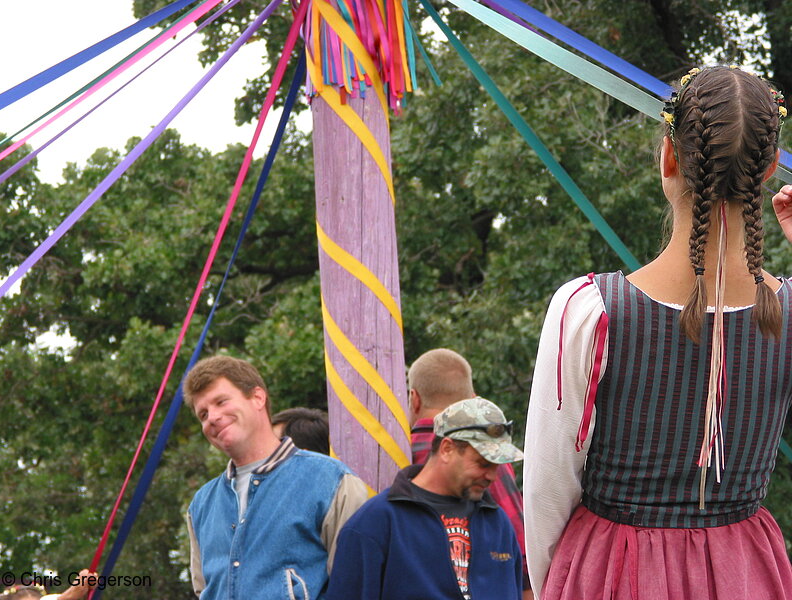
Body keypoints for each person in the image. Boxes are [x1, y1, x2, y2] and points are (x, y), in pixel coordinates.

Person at [524, 65, 792, 600]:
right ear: (767, 172)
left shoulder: (589, 309)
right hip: (747, 574)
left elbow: (547, 493)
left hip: (610, 573)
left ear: (669, 157)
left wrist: (561, 581)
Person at [183, 355, 368, 600]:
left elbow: (356, 584)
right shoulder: (201, 505)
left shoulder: (332, 481)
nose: (213, 418)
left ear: (258, 397)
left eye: (221, 401)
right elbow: (202, 589)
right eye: (203, 414)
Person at [326, 396, 524, 600]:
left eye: (496, 466)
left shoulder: (497, 523)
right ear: (447, 449)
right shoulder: (375, 523)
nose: (492, 476)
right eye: (483, 463)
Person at [408, 348, 531, 598]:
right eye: (485, 465)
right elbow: (521, 552)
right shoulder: (483, 456)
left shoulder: (394, 451)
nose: (490, 475)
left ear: (414, 399)